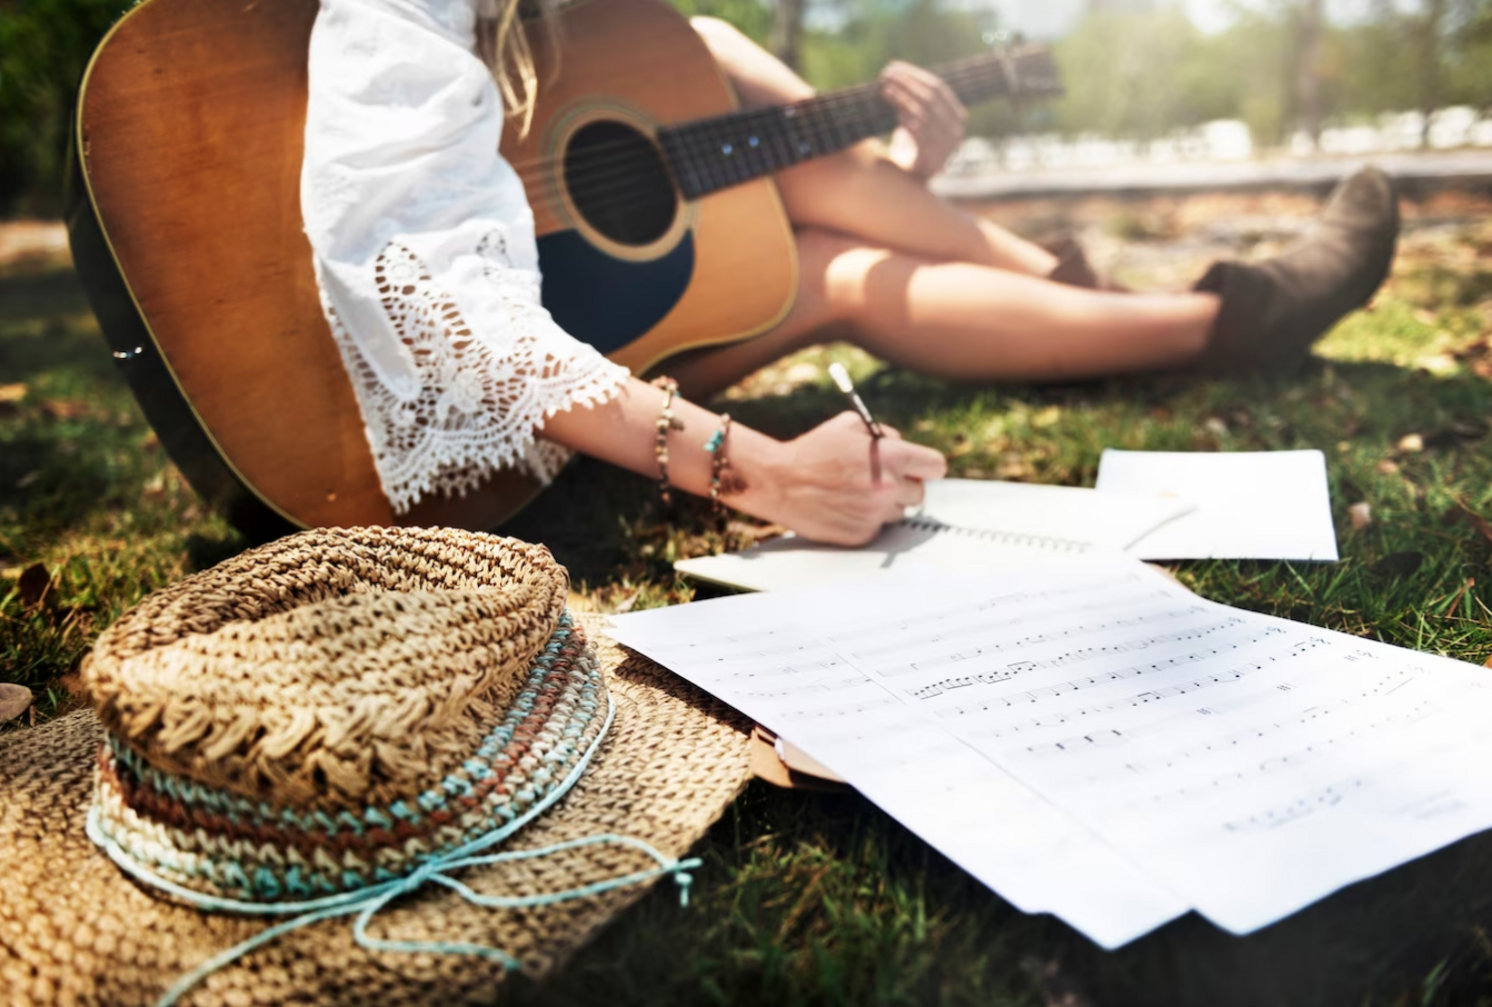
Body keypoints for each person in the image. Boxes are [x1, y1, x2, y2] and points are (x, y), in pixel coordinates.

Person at [301, 0, 1400, 547]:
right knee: (737, 85)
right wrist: (761, 469)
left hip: (606, 313)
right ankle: (1196, 307)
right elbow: (442, 306)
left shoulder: (585, 25)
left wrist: (915, 170)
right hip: (428, 402)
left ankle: (1207, 318)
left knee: (832, 251)